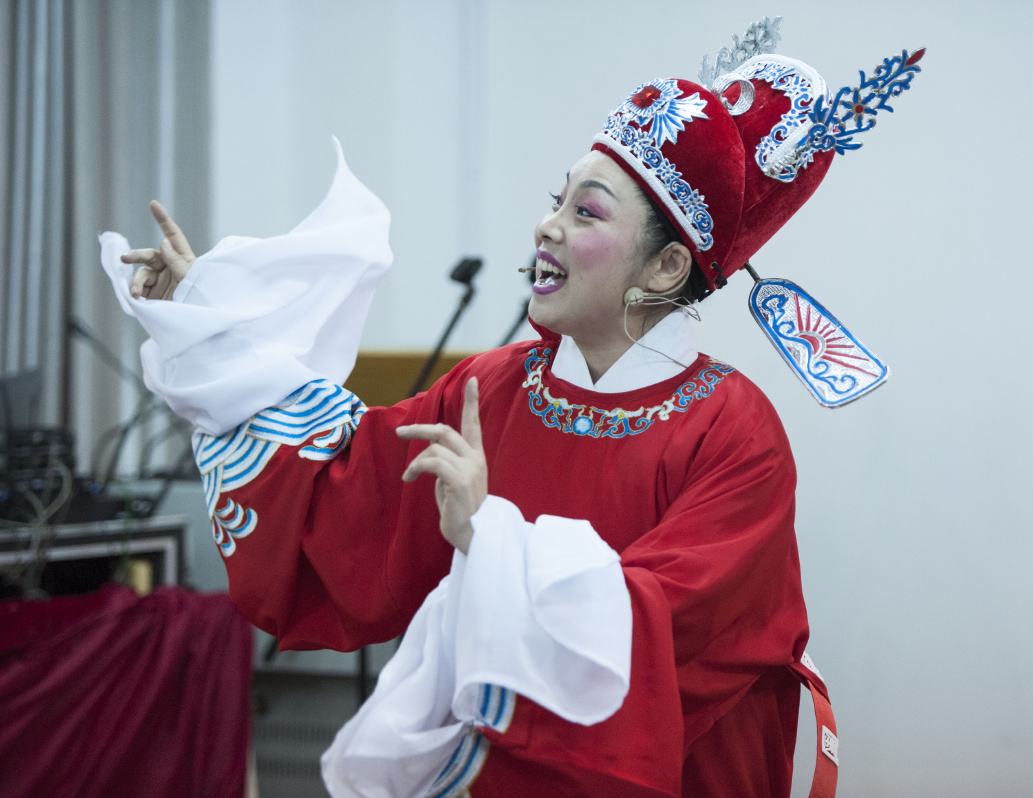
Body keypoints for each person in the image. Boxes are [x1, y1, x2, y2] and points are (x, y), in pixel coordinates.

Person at [103, 20, 920, 798]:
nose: (547, 227)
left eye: (585, 212)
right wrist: (213, 326)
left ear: (668, 267)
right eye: (555, 200)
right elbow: (346, 487)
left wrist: (487, 539)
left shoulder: (733, 431)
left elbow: (668, 630)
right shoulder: (494, 388)